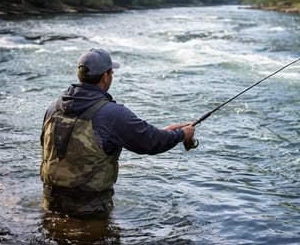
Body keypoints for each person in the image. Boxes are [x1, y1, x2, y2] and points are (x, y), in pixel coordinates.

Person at [41, 48, 196, 218]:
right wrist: (181, 134)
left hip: (50, 202)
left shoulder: (53, 107)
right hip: (90, 210)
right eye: (111, 72)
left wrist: (164, 132)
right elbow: (150, 142)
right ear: (106, 76)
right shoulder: (111, 114)